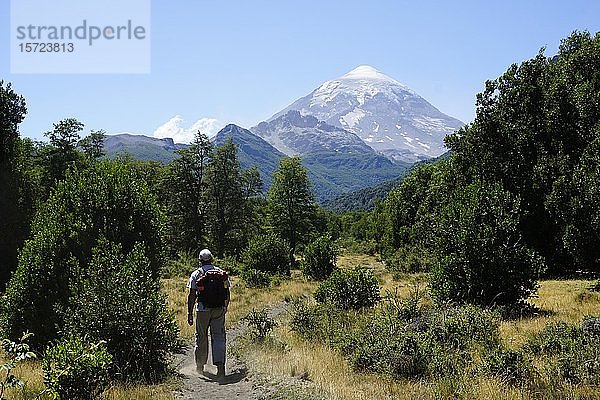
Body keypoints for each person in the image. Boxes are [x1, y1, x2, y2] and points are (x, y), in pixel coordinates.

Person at [187, 248, 230, 381]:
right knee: (218, 336)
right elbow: (227, 292)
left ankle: (200, 367)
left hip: (202, 309)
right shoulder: (220, 273)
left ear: (200, 260)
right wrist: (225, 307)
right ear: (212, 258)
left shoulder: (196, 274)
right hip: (218, 309)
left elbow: (192, 294)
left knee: (201, 336)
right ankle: (220, 368)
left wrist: (189, 313)